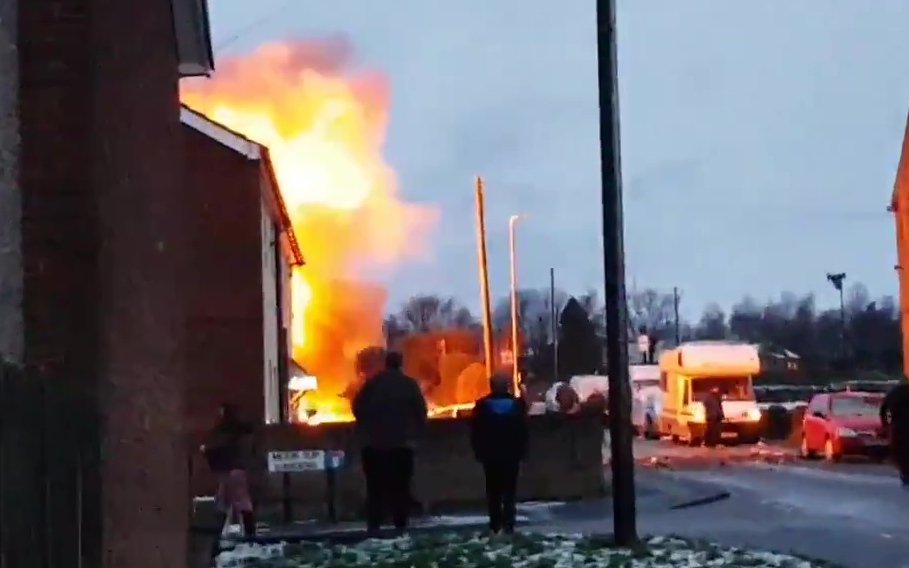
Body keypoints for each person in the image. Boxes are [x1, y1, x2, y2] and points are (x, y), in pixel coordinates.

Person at [352, 350, 427, 534]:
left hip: (375, 445)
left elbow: (357, 407)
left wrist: (369, 427)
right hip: (402, 446)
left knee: (375, 487)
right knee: (401, 486)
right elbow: (420, 411)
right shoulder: (409, 385)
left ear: (386, 363)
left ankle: (374, 525)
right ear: (400, 364)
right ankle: (400, 524)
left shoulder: (372, 384)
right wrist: (413, 431)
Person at [470, 374, 529, 534]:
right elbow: (523, 431)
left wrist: (478, 451)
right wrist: (522, 451)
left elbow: (476, 432)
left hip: (490, 455)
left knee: (493, 490)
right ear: (507, 386)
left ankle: (495, 523)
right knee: (509, 490)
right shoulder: (517, 406)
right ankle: (509, 522)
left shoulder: (482, 406)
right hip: (511, 455)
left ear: (491, 386)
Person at [202, 403, 256, 537]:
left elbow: (221, 449)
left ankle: (217, 533)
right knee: (241, 501)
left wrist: (206, 451)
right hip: (240, 469)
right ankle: (250, 533)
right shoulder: (245, 431)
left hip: (229, 469)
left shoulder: (224, 431)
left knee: (224, 501)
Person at [880, 381, 909, 486]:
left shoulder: (895, 392)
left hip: (898, 425)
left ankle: (905, 473)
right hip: (900, 425)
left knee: (900, 451)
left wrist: (885, 424)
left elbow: (883, 408)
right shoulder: (896, 392)